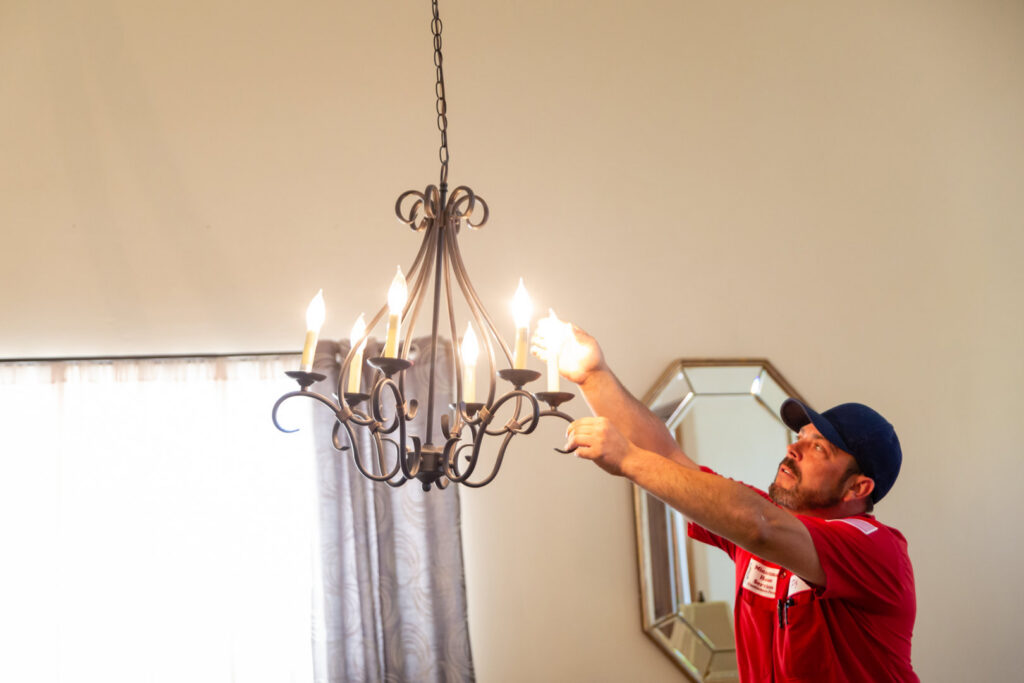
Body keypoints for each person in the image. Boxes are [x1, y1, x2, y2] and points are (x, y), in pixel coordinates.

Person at [532, 321, 918, 683]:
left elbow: (760, 526)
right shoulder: (764, 522)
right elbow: (669, 458)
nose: (794, 448)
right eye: (800, 435)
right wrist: (593, 375)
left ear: (858, 488)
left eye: (818, 447)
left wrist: (630, 460)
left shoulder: (877, 549)